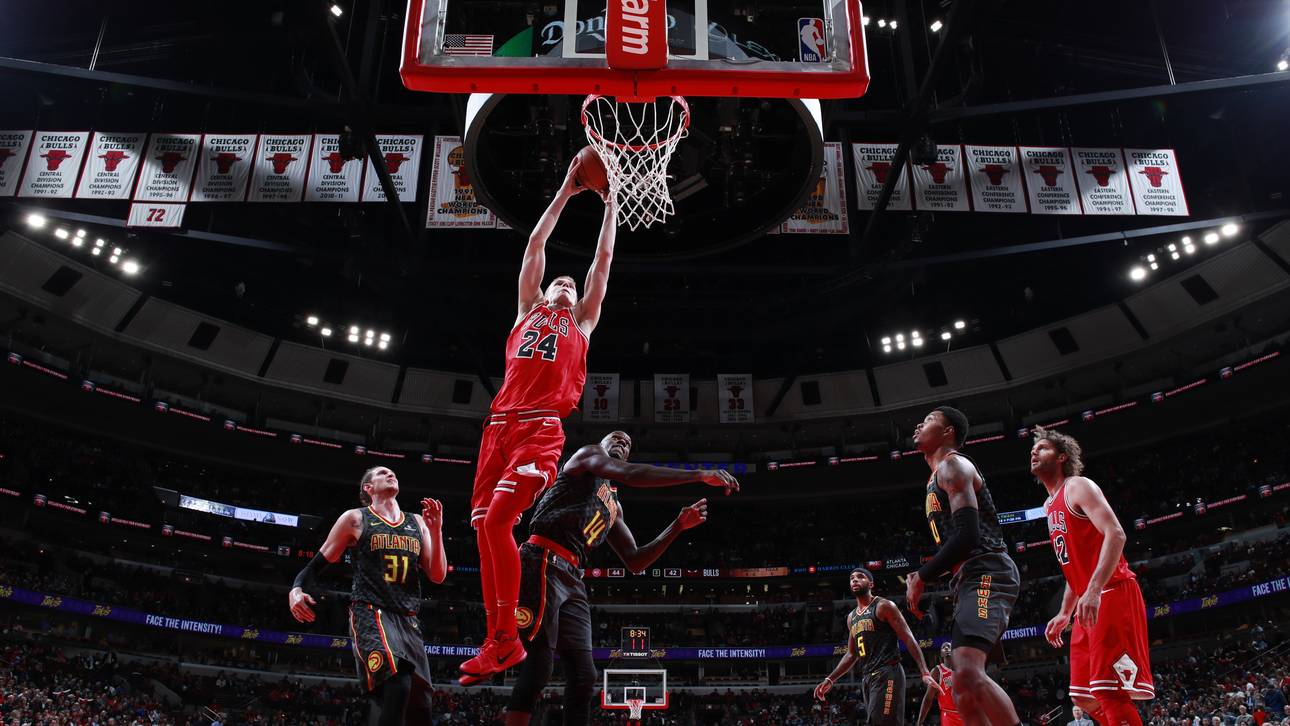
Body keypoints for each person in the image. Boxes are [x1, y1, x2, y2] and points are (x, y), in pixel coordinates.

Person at [464, 155, 619, 680]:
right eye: (561, 282)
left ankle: (507, 638)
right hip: (496, 429)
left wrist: (611, 200)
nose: (568, 285)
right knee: (486, 531)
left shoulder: (583, 323)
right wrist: (566, 190)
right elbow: (535, 245)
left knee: (504, 520)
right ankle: (499, 639)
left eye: (573, 287)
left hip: (539, 429)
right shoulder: (527, 309)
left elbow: (601, 261)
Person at [478, 429, 739, 726]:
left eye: (628, 443)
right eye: (616, 438)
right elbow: (629, 473)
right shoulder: (588, 456)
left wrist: (677, 526)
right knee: (540, 663)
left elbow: (635, 561)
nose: (622, 443)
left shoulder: (613, 505)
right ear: (602, 443)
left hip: (573, 575)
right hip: (544, 558)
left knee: (584, 673)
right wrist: (699, 475)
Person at [288, 467, 446, 726]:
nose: (391, 474)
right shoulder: (355, 519)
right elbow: (316, 564)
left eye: (394, 472)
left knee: (421, 709)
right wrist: (296, 589)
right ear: (368, 488)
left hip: (408, 619)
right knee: (398, 684)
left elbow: (437, 574)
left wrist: (436, 530)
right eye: (383, 473)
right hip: (371, 612)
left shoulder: (417, 522)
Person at [906, 405, 1022, 726]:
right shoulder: (935, 477)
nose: (919, 423)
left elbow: (968, 536)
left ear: (948, 432)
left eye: (929, 419)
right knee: (961, 685)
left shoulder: (953, 465)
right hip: (968, 578)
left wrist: (921, 576)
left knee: (968, 672)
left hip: (986, 569)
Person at [1033, 428, 1155, 726]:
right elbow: (1075, 565)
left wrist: (1094, 590)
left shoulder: (1077, 486)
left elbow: (1116, 534)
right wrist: (1064, 612)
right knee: (1083, 696)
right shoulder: (1049, 505)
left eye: (1043, 448)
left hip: (1112, 591)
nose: (1034, 453)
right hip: (1090, 598)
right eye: (1033, 450)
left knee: (1109, 692)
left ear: (1062, 457)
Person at [815, 568, 942, 725]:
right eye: (852, 578)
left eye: (860, 577)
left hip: (888, 672)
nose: (854, 580)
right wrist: (830, 679)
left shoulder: (884, 606)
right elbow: (851, 654)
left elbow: (908, 638)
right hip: (868, 677)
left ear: (871, 583)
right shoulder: (851, 617)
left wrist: (924, 672)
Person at [918, 643, 962, 726]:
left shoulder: (963, 670)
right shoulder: (937, 672)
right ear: (941, 654)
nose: (946, 648)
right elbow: (928, 699)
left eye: (948, 646)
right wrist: (920, 721)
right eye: (943, 647)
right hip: (948, 715)